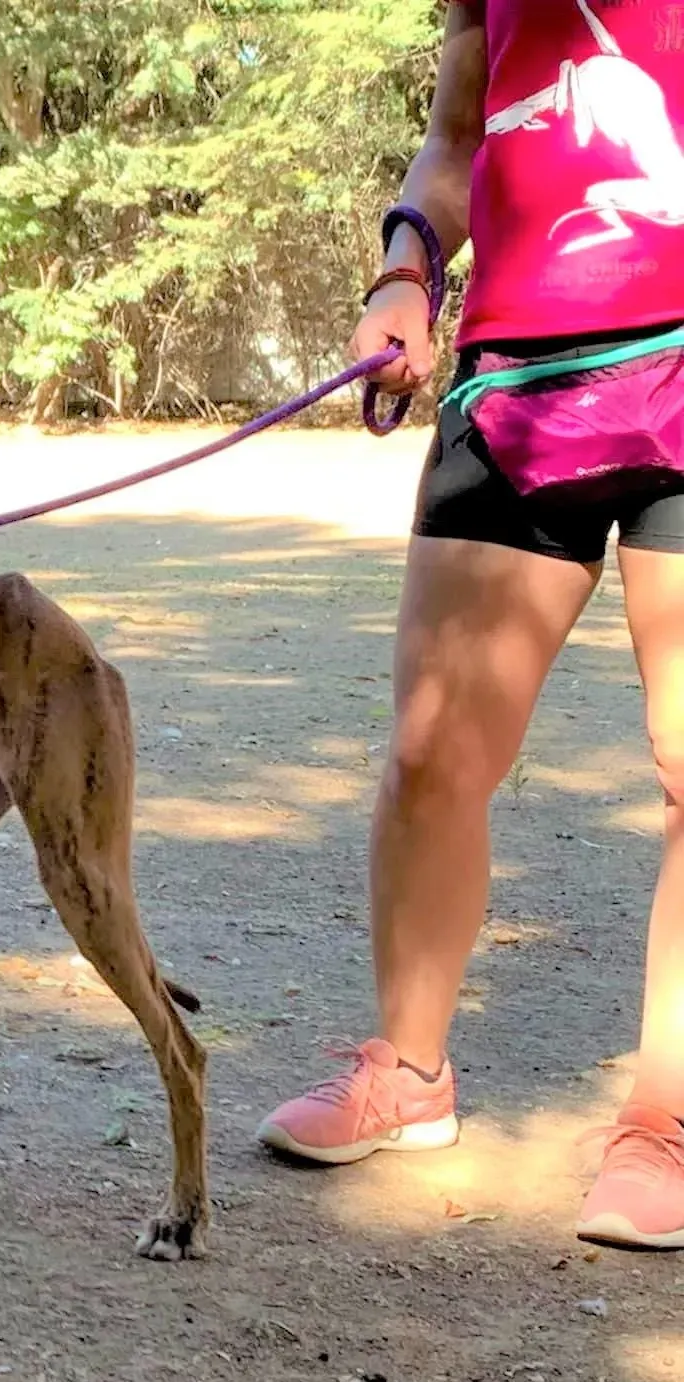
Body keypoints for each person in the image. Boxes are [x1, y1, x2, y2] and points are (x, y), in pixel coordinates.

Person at [255, 0, 684, 1249]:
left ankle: (663, 1119)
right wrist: (404, 271)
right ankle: (409, 1071)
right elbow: (454, 141)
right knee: (431, 754)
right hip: (517, 378)